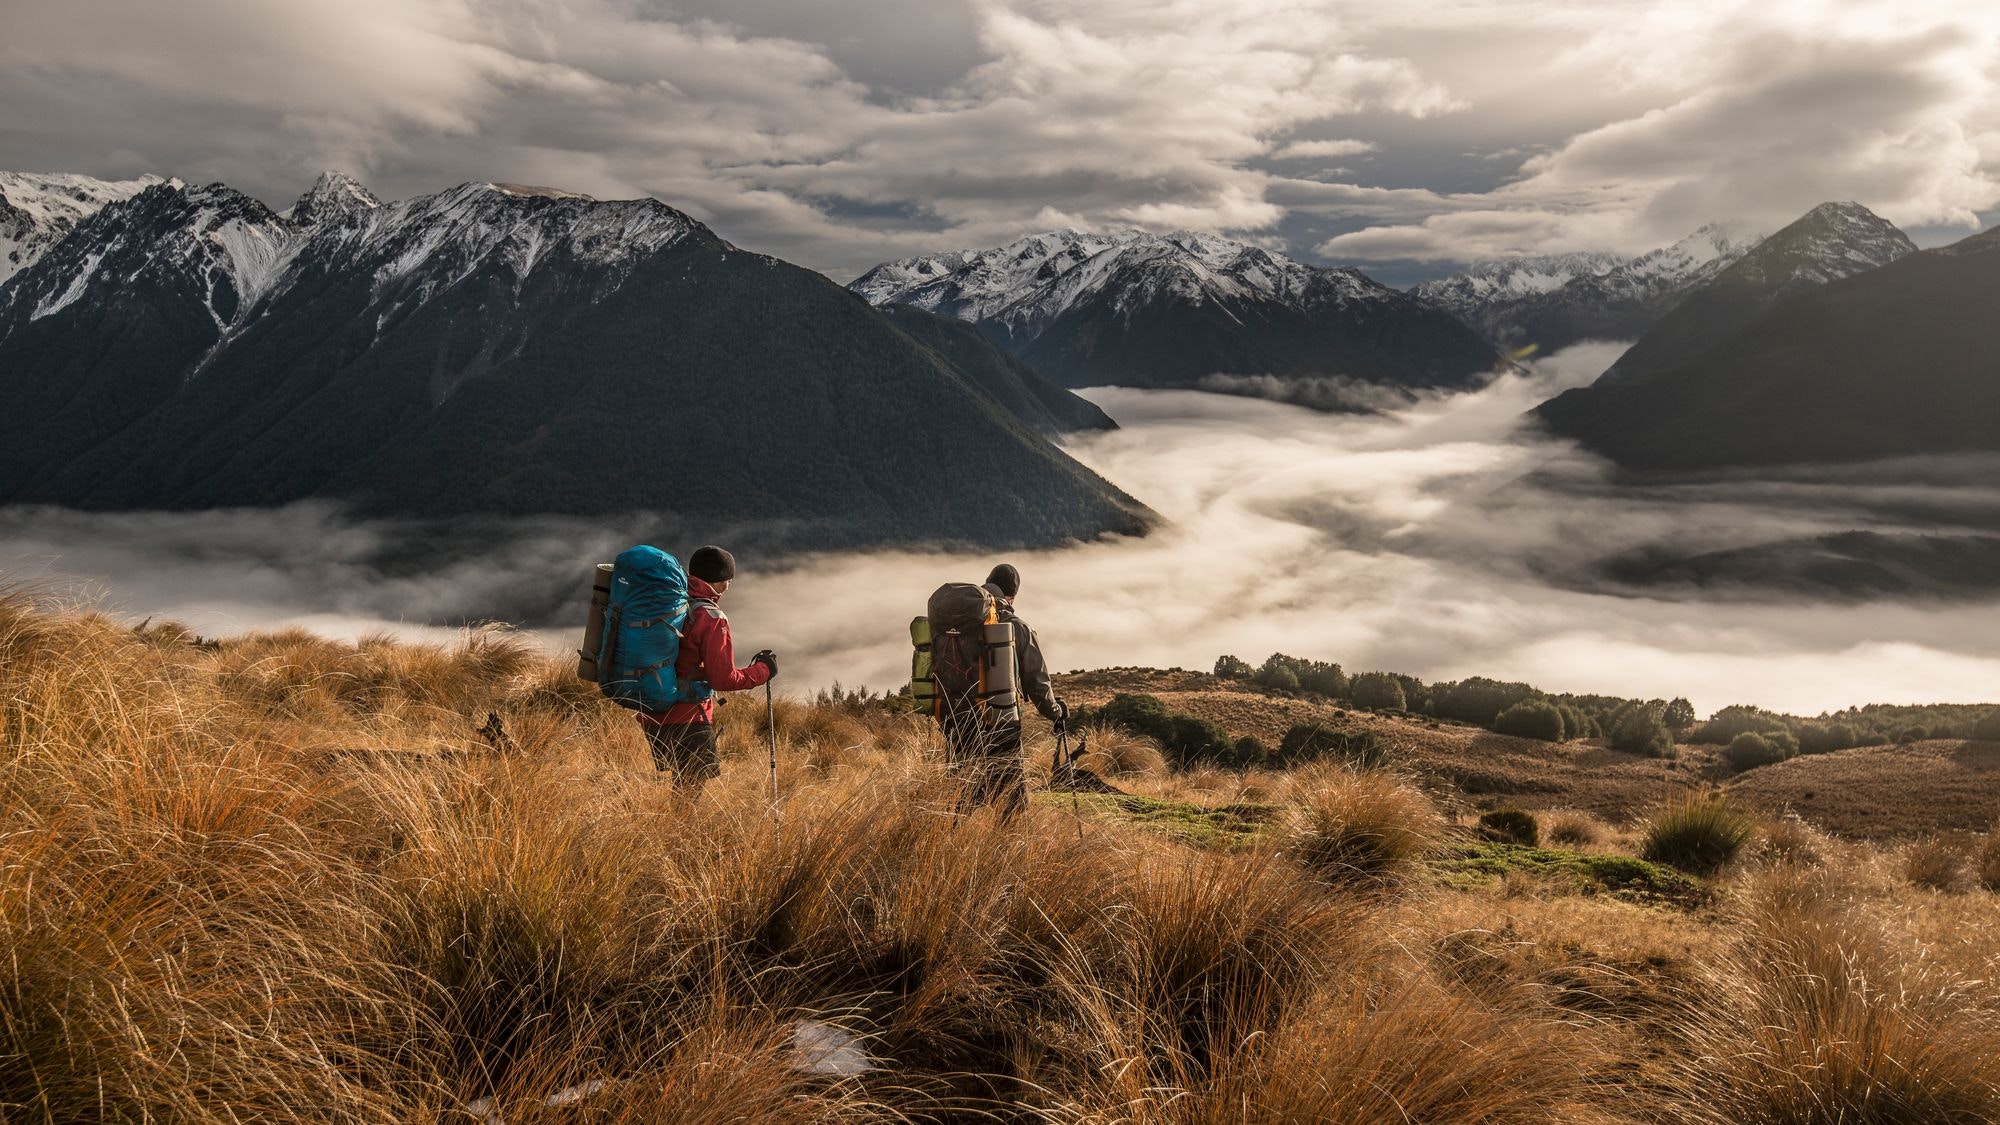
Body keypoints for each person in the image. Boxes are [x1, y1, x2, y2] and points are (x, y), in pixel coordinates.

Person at [637, 545, 776, 792]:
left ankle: (666, 829)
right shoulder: (711, 617)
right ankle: (678, 832)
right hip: (688, 715)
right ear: (723, 580)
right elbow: (724, 679)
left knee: (679, 785)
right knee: (689, 790)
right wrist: (763, 671)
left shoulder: (672, 603)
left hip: (652, 708)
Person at [946, 562, 1068, 814]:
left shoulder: (959, 620)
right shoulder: (1018, 627)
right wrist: (1056, 712)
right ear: (1012, 595)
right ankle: (1006, 850)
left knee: (962, 796)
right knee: (1012, 803)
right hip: (1000, 723)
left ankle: (953, 845)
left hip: (956, 719)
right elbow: (1037, 684)